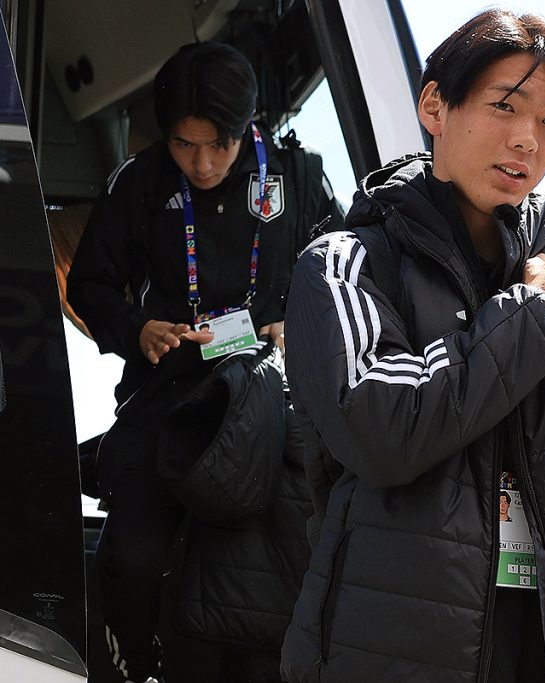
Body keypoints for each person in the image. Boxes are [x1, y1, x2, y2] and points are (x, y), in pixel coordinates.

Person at [281, 9, 545, 683]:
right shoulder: (345, 266)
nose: (528, 138)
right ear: (434, 106)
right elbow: (379, 429)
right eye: (505, 106)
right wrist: (537, 313)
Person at [66, 41, 343, 683]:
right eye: (184, 145)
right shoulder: (139, 182)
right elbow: (89, 285)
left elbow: (343, 278)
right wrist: (136, 330)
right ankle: (131, 666)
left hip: (268, 404)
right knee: (134, 558)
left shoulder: (299, 176)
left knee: (275, 576)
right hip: (164, 398)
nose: (202, 162)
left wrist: (296, 322)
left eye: (219, 144)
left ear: (247, 126)